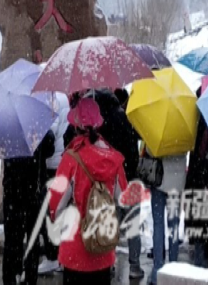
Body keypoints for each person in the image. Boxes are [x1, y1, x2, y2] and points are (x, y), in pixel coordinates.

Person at [48, 97, 128, 285]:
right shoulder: (113, 157)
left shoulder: (71, 158)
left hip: (75, 250)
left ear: (76, 126)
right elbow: (123, 199)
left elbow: (56, 205)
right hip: (102, 246)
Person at [94, 90, 144, 281]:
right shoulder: (127, 118)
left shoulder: (101, 124)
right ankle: (134, 265)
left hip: (110, 180)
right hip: (130, 180)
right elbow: (133, 151)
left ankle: (109, 262)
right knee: (132, 225)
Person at [3, 125, 55, 285]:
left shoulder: (8, 128)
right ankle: (29, 277)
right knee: (32, 240)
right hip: (33, 192)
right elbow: (49, 149)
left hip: (12, 193)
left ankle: (11, 276)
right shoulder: (37, 127)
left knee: (12, 240)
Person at [143, 145, 187, 285]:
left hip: (159, 179)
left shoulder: (160, 127)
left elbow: (151, 150)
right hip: (177, 182)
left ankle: (157, 271)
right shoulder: (185, 130)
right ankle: (173, 268)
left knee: (158, 224)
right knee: (173, 223)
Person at [38, 94, 71, 275]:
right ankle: (61, 254)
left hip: (51, 163)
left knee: (50, 211)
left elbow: (50, 130)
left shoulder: (50, 99)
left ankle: (53, 257)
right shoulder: (62, 97)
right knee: (59, 209)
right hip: (61, 159)